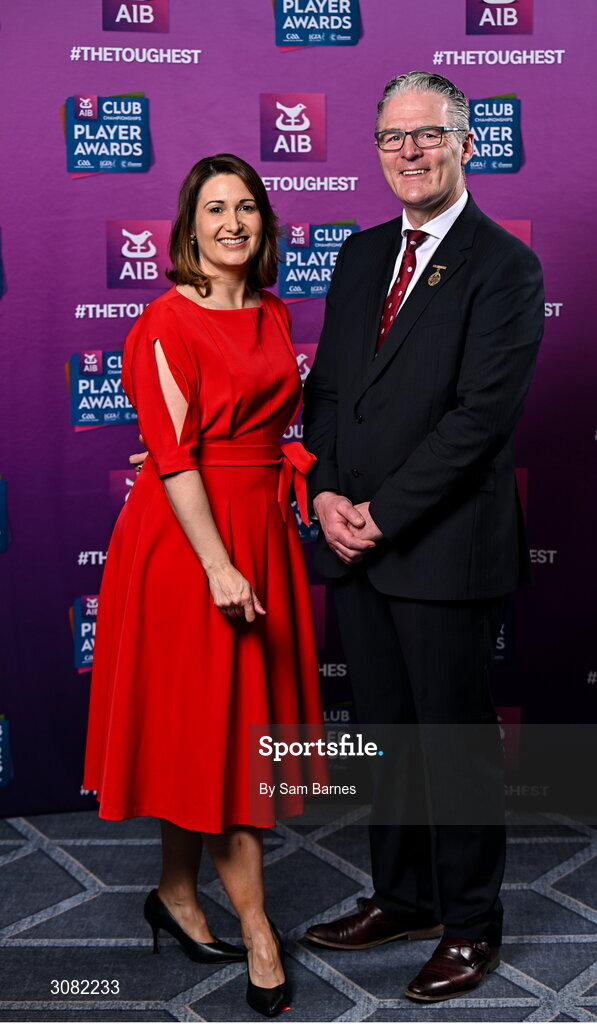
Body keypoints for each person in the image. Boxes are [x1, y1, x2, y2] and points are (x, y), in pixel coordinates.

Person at [302, 71, 544, 1001]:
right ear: (377, 150)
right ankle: (401, 897)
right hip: (352, 539)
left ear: (465, 143)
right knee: (387, 737)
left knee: (450, 744)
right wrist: (324, 491)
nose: (409, 151)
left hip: (440, 547)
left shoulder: (504, 265)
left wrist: (381, 514)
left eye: (428, 135)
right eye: (393, 138)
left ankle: (472, 928)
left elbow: (478, 420)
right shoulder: (361, 255)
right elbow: (326, 390)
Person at [83, 153, 324, 1018]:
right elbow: (175, 456)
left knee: (207, 729)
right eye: (215, 209)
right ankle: (259, 934)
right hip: (190, 542)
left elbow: (267, 425)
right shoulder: (161, 323)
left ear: (264, 224)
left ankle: (174, 893)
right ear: (188, 228)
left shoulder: (273, 310)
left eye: (247, 208)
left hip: (260, 524)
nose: (232, 223)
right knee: (228, 743)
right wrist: (219, 562)